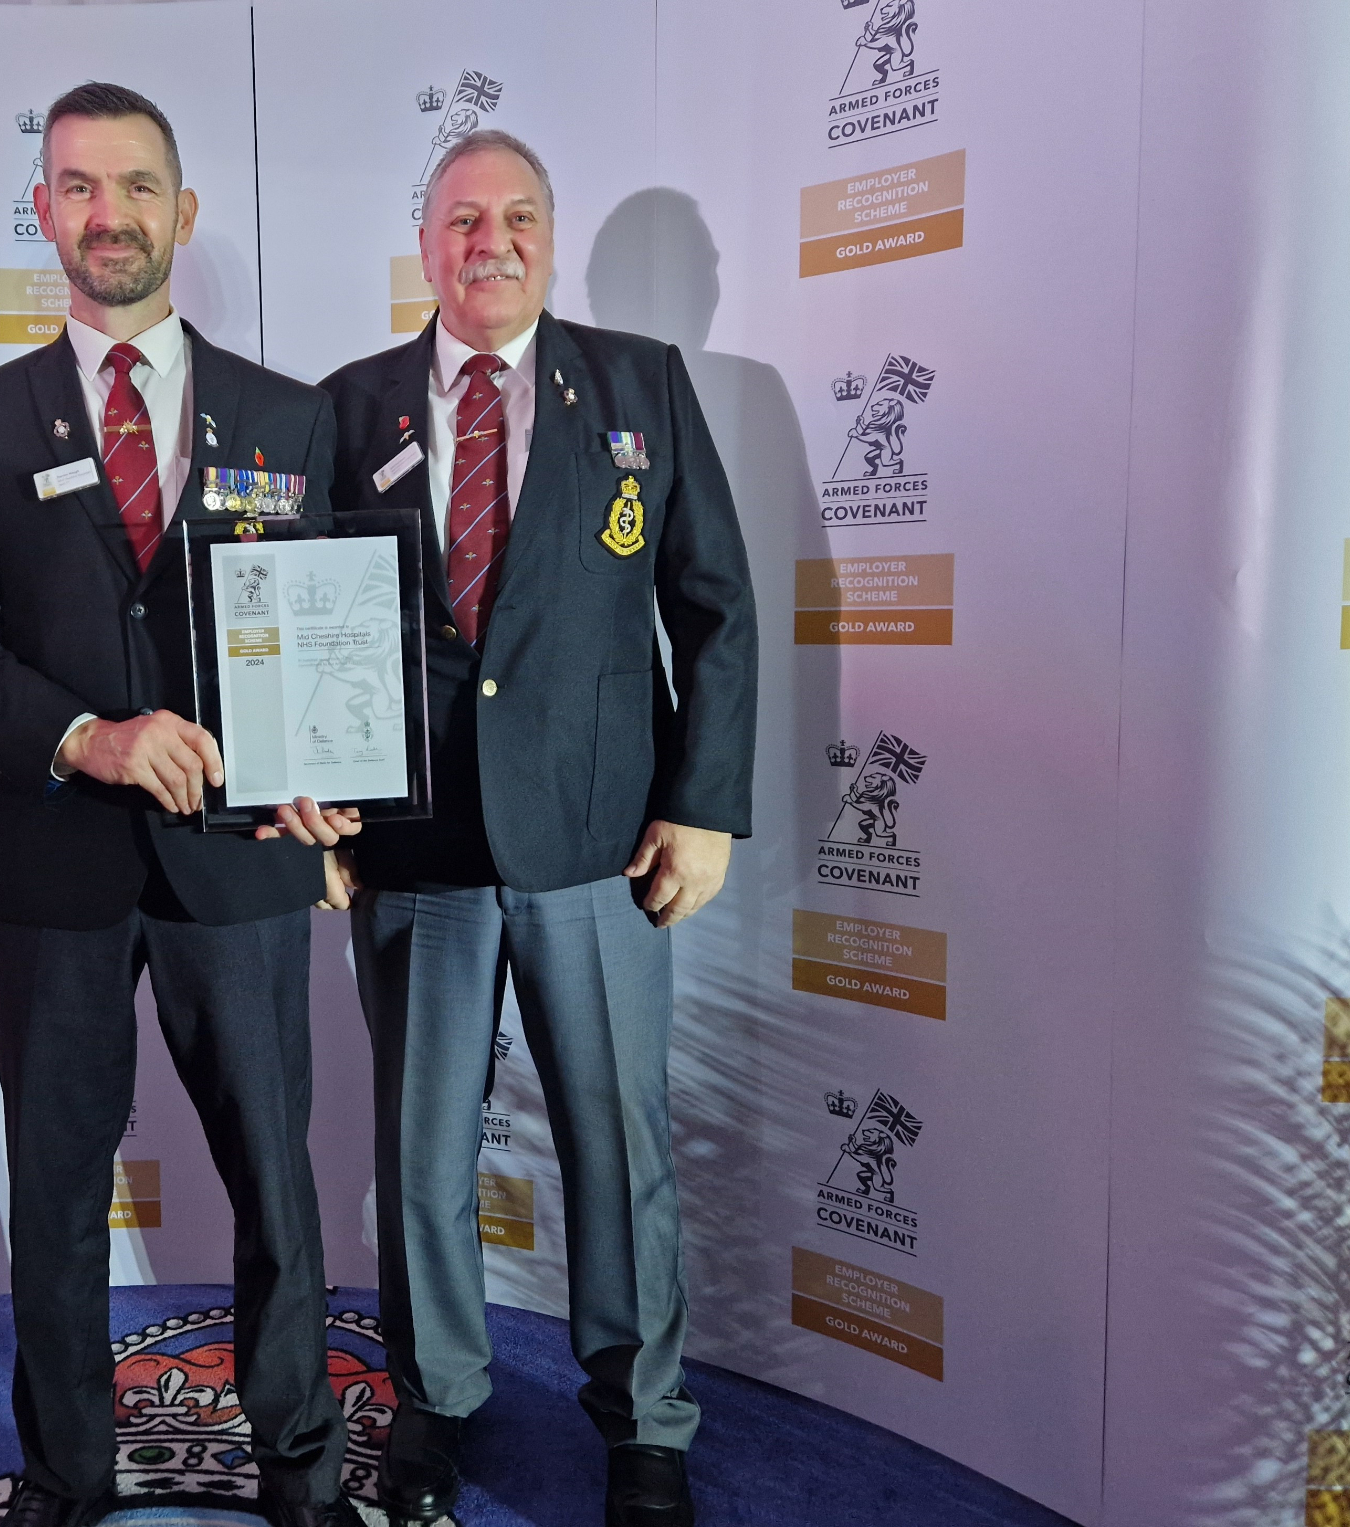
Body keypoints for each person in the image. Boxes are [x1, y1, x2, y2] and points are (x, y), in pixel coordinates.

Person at [0, 82, 361, 1527]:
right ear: (45, 211)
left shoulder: (292, 417)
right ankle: (65, 1479)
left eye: (138, 186)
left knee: (277, 1187)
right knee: (56, 1199)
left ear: (185, 212)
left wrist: (328, 771)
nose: (111, 215)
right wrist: (85, 737)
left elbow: (341, 632)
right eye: (80, 187)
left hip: (243, 866)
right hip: (57, 866)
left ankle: (299, 1466)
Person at [318, 130, 757, 1527]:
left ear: (549, 239)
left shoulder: (641, 387)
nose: (487, 241)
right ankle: (435, 1398)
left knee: (617, 1149)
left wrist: (703, 805)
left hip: (596, 845)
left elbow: (716, 610)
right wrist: (309, 799)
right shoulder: (349, 408)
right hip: (417, 846)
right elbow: (310, 630)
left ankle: (644, 1419)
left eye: (514, 217)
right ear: (426, 241)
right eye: (460, 218)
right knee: (422, 1154)